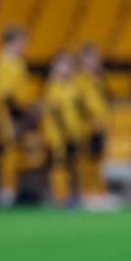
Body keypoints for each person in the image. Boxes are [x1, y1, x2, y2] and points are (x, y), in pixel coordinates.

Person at [0, 26, 37, 206]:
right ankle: (7, 191)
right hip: (8, 112)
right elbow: (3, 94)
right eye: (22, 41)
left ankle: (13, 189)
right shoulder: (2, 62)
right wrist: (16, 115)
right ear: (13, 41)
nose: (24, 45)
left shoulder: (17, 61)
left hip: (19, 110)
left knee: (15, 151)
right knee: (8, 149)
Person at [41, 52, 83, 205]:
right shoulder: (52, 86)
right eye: (63, 65)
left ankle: (72, 196)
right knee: (58, 165)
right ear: (55, 68)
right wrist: (64, 131)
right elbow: (55, 112)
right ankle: (60, 197)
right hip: (57, 135)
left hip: (72, 133)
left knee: (71, 165)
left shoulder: (72, 86)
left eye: (69, 66)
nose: (67, 69)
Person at [74, 43, 111, 208]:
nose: (94, 61)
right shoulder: (79, 80)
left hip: (99, 125)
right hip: (85, 127)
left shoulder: (98, 79)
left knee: (98, 160)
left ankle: (100, 193)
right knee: (86, 160)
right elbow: (80, 104)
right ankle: (87, 193)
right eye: (89, 58)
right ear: (82, 60)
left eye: (95, 58)